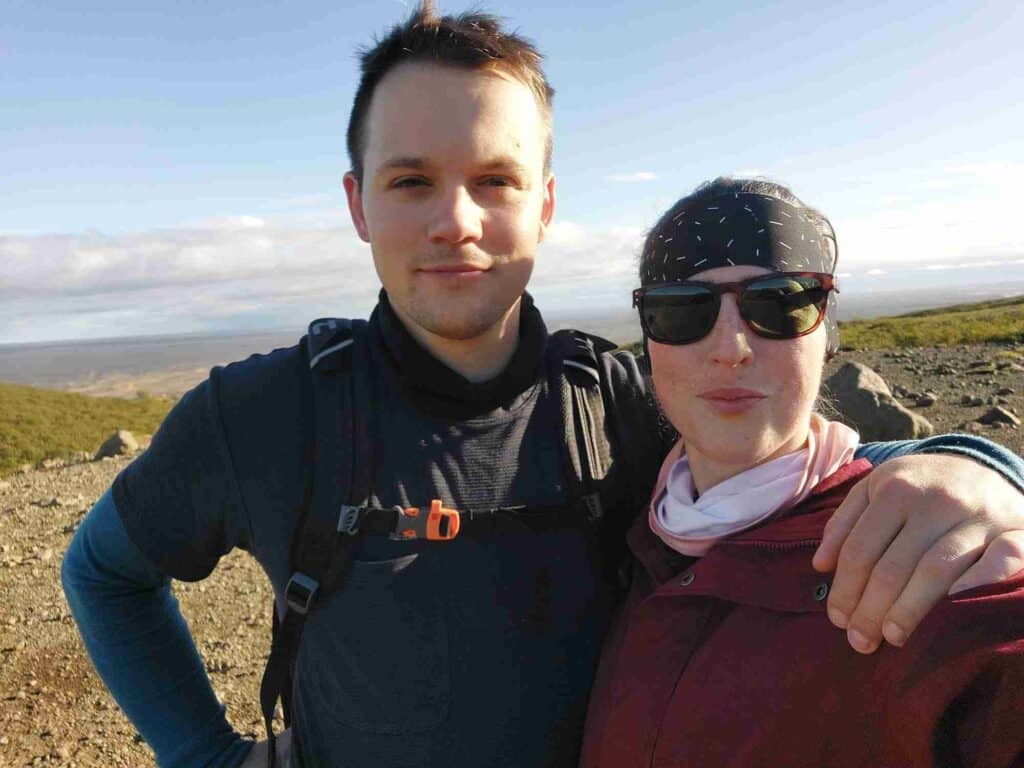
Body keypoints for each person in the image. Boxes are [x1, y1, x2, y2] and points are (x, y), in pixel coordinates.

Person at [60, 6, 1024, 768]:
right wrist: (200, 752)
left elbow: (774, 457)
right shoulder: (263, 415)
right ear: (356, 203)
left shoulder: (611, 399)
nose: (457, 222)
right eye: (409, 182)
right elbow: (101, 572)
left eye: (495, 179)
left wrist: (973, 466)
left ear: (547, 203)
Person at [580, 177, 1024, 767]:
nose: (730, 347)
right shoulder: (623, 539)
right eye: (681, 309)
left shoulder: (936, 564)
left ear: (828, 334)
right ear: (649, 342)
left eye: (780, 303)